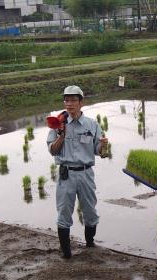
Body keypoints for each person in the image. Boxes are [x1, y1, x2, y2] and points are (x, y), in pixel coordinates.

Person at [47, 85, 108, 259]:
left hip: (86, 173)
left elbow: (101, 153)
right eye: (66, 100)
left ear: (81, 102)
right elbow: (52, 150)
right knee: (64, 212)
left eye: (73, 100)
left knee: (90, 211)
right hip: (66, 174)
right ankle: (66, 254)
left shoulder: (91, 124)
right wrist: (61, 135)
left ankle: (90, 243)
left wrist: (104, 145)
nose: (69, 104)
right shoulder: (58, 123)